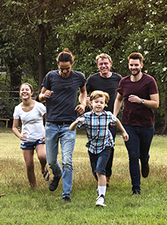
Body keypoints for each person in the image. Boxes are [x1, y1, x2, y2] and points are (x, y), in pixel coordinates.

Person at [38, 49, 87, 202]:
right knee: (51, 161)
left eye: (67, 68)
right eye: (62, 68)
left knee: (67, 160)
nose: (65, 71)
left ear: (72, 64)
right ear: (58, 65)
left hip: (69, 125)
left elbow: (83, 92)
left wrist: (83, 104)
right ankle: (57, 174)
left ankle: (66, 194)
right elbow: (40, 96)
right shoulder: (50, 76)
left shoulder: (79, 77)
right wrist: (43, 96)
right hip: (52, 124)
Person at [70, 90, 129, 207]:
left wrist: (124, 132)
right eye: (96, 102)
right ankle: (100, 188)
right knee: (95, 171)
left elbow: (116, 120)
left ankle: (101, 197)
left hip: (106, 145)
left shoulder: (107, 115)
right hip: (92, 147)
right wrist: (77, 122)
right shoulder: (86, 116)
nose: (99, 104)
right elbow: (71, 129)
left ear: (105, 104)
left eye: (101, 103)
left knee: (100, 170)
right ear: (90, 103)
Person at [113, 52, 159, 195]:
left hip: (146, 125)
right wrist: (114, 116)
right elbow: (119, 99)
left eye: (136, 65)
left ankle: (145, 162)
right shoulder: (124, 82)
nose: (133, 67)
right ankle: (136, 189)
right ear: (129, 65)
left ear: (141, 65)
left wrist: (141, 101)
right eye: (131, 65)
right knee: (133, 155)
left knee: (142, 155)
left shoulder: (149, 81)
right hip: (128, 125)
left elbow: (156, 104)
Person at [85, 53, 122, 186]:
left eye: (106, 63)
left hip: (110, 120)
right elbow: (83, 94)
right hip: (95, 121)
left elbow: (121, 96)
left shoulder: (118, 79)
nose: (103, 66)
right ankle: (98, 172)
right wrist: (85, 102)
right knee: (94, 146)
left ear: (110, 64)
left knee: (109, 147)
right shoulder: (92, 79)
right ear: (97, 66)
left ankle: (106, 175)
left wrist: (115, 116)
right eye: (101, 64)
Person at [11, 83, 49, 188]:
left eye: (27, 89)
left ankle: (43, 167)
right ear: (19, 93)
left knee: (42, 156)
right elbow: (14, 127)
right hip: (26, 139)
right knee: (29, 166)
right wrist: (19, 135)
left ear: (31, 93)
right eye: (22, 90)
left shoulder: (39, 106)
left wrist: (47, 134)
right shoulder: (17, 108)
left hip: (39, 137)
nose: (24, 91)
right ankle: (34, 188)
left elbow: (49, 120)